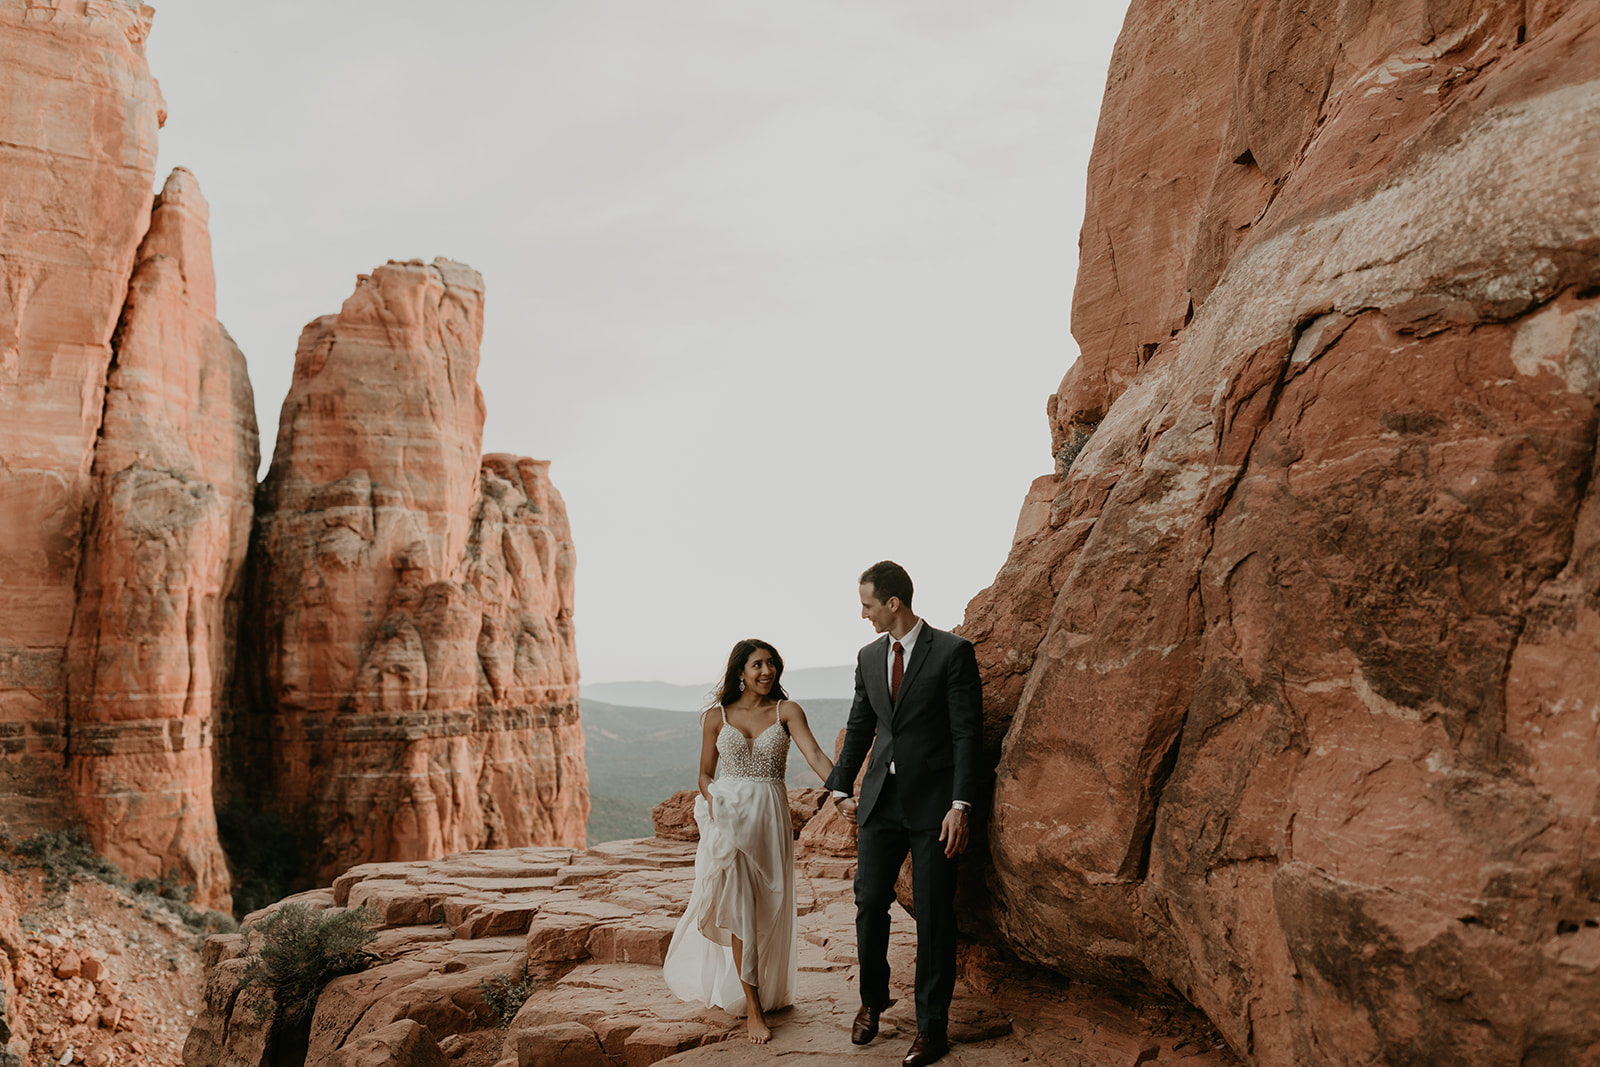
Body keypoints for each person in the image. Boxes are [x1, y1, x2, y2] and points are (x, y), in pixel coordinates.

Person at [825, 561, 982, 1067]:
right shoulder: (869, 657)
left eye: (868, 604)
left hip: (935, 807)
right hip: (879, 804)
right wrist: (839, 786)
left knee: (935, 916)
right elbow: (861, 722)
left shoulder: (953, 653)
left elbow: (966, 734)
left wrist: (961, 805)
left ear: (894, 603)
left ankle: (931, 1029)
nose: (863, 614)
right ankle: (873, 1002)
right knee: (870, 902)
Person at [662, 638, 836, 1044]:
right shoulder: (715, 716)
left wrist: (845, 790)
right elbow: (705, 774)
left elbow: (815, 754)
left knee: (768, 909)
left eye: (771, 664)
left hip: (769, 818)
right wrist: (716, 800)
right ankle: (753, 1007)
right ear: (740, 671)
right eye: (757, 664)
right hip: (728, 819)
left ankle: (765, 989)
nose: (766, 671)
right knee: (739, 907)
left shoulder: (787, 711)